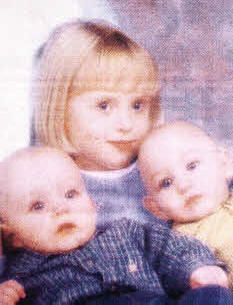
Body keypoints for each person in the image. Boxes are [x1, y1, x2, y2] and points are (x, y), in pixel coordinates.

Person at [0, 147, 231, 305]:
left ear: (92, 204)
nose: (61, 208)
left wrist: (197, 268)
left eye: (71, 194)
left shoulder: (126, 232)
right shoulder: (18, 275)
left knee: (214, 296)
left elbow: (172, 248)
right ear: (12, 234)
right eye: (38, 206)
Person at [31, 19, 163, 229]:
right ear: (59, 109)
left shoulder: (162, 173)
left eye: (137, 105)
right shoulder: (41, 189)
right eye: (104, 106)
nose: (126, 124)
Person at [138, 120, 233, 289]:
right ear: (156, 208)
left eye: (192, 166)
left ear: (225, 164)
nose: (184, 185)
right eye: (166, 183)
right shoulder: (179, 241)